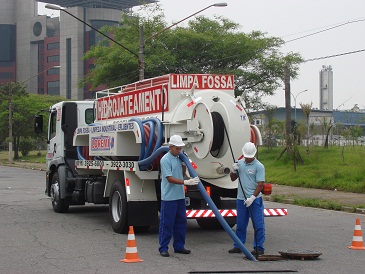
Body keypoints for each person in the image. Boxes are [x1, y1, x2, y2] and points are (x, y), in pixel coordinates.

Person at [158, 135, 200, 257]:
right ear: (170, 147)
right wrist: (186, 182)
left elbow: (180, 174)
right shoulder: (165, 160)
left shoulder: (178, 158)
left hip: (180, 196)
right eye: (177, 148)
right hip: (169, 197)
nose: (179, 151)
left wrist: (184, 165)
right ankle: (163, 248)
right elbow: (169, 178)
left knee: (181, 222)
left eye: (180, 148)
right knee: (167, 223)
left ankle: (179, 246)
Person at [228, 142, 266, 256]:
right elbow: (233, 179)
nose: (248, 159)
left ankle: (259, 247)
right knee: (240, 224)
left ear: (254, 155)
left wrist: (252, 198)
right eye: (246, 157)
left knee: (258, 225)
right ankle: (238, 246)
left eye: (250, 157)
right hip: (241, 199)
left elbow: (260, 184)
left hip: (255, 200)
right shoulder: (239, 163)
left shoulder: (259, 166)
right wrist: (233, 170)